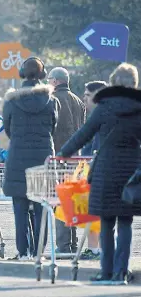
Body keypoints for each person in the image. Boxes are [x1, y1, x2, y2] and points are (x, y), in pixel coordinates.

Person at [58, 63, 141, 284]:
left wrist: (63, 153)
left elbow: (84, 133)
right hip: (131, 173)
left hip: (106, 170)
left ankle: (106, 271)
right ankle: (120, 272)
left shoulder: (104, 107)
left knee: (106, 222)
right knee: (125, 222)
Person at [3, 57, 59, 261]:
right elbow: (53, 127)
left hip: (18, 157)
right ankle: (38, 253)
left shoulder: (11, 100)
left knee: (19, 206)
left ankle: (23, 251)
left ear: (21, 73)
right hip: (42, 157)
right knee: (40, 207)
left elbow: (7, 129)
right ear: (43, 76)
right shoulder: (51, 100)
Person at [47, 67, 86, 255]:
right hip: (76, 158)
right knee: (71, 200)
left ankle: (63, 245)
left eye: (49, 79)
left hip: (59, 156)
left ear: (55, 81)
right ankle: (72, 242)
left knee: (60, 200)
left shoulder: (53, 100)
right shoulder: (79, 101)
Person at [80, 81, 108, 261]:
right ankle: (95, 248)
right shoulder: (96, 116)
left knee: (96, 211)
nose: (84, 98)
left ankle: (97, 249)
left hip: (99, 170)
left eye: (87, 95)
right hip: (94, 169)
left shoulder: (102, 117)